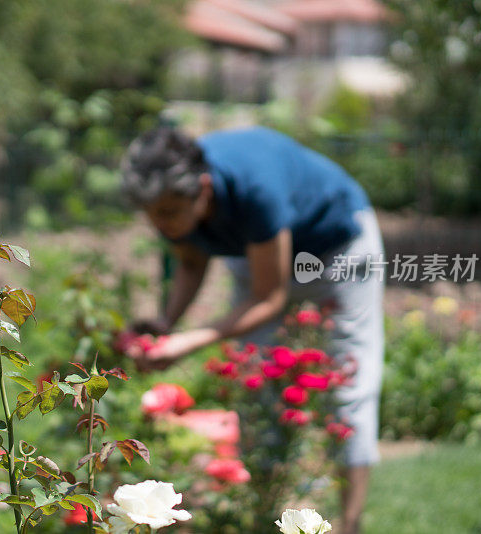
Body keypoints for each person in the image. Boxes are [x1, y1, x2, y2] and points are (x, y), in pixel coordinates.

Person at [120, 126, 385, 534]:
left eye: (170, 214)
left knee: (348, 384)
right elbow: (191, 261)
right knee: (255, 382)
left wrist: (192, 341)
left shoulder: (254, 187)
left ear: (203, 189)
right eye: (153, 216)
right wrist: (166, 324)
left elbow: (269, 298)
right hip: (259, 254)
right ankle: (266, 513)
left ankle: (350, 524)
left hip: (336, 250)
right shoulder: (174, 196)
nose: (162, 225)